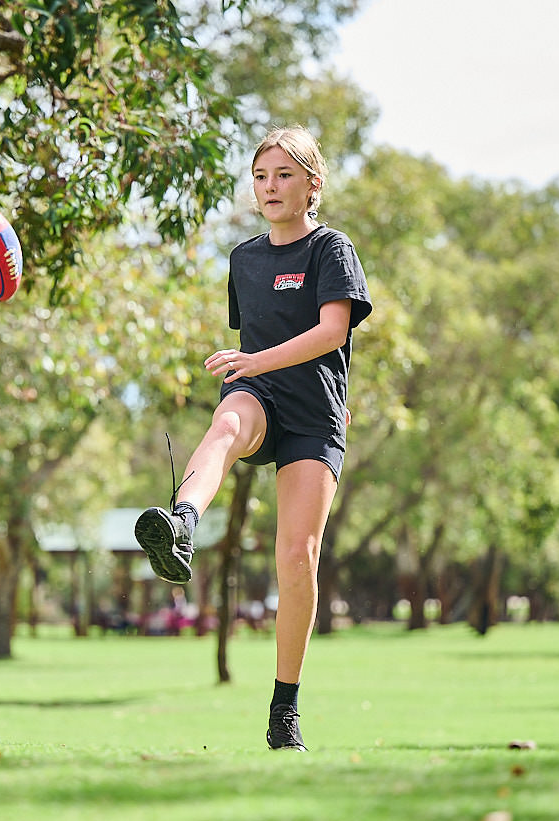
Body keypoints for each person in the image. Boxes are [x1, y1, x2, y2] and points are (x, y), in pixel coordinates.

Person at [134, 125, 372, 751]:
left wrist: (254, 361)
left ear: (312, 185)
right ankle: (182, 522)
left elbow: (331, 333)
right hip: (260, 394)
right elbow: (253, 343)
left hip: (314, 415)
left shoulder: (331, 249)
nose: (270, 187)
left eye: (284, 175)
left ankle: (283, 709)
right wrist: (251, 368)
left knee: (297, 557)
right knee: (226, 422)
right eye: (262, 176)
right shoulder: (244, 260)